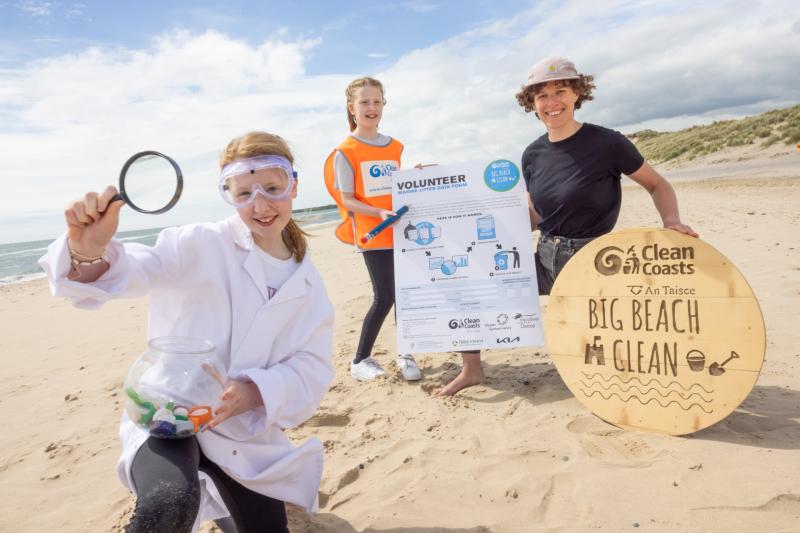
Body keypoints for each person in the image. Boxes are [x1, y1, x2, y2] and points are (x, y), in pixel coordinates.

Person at [39, 131, 335, 532]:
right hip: (165, 413)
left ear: (293, 186)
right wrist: (88, 253)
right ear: (228, 195)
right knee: (170, 503)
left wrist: (253, 392)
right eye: (243, 193)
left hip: (242, 436)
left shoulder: (308, 283)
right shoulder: (200, 243)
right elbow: (138, 268)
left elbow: (312, 366)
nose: (260, 205)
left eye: (272, 188)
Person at [437, 56, 697, 396]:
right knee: (471, 287)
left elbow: (657, 184)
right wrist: (440, 194)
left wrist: (671, 220)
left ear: (577, 93)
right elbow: (535, 213)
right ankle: (472, 370)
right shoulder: (532, 154)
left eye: (560, 91)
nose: (552, 102)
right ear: (532, 104)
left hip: (594, 261)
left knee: (614, 335)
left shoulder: (607, 143)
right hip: (546, 256)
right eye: (542, 96)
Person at [323, 76, 422, 382]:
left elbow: (395, 186)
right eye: (364, 101)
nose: (371, 107)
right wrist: (378, 212)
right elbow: (348, 199)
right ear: (351, 108)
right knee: (385, 296)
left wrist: (416, 178)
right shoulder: (345, 151)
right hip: (373, 234)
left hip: (401, 231)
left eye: (377, 101)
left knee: (405, 295)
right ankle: (360, 360)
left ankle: (406, 353)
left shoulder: (394, 146)